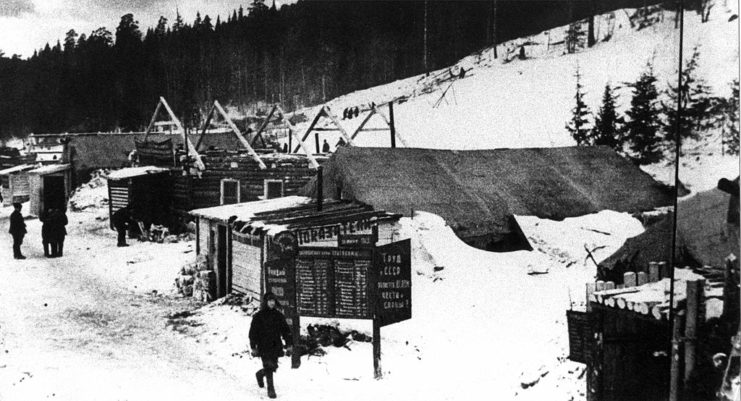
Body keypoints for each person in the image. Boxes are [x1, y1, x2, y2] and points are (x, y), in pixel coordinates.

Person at [249, 292, 292, 399]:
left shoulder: (278, 316)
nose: (272, 303)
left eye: (273, 301)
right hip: (263, 345)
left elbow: (286, 331)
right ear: (265, 302)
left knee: (273, 366)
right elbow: (252, 333)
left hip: (275, 344)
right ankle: (271, 389)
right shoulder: (258, 316)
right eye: (269, 301)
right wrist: (253, 347)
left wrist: (289, 344)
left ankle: (260, 374)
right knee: (268, 365)